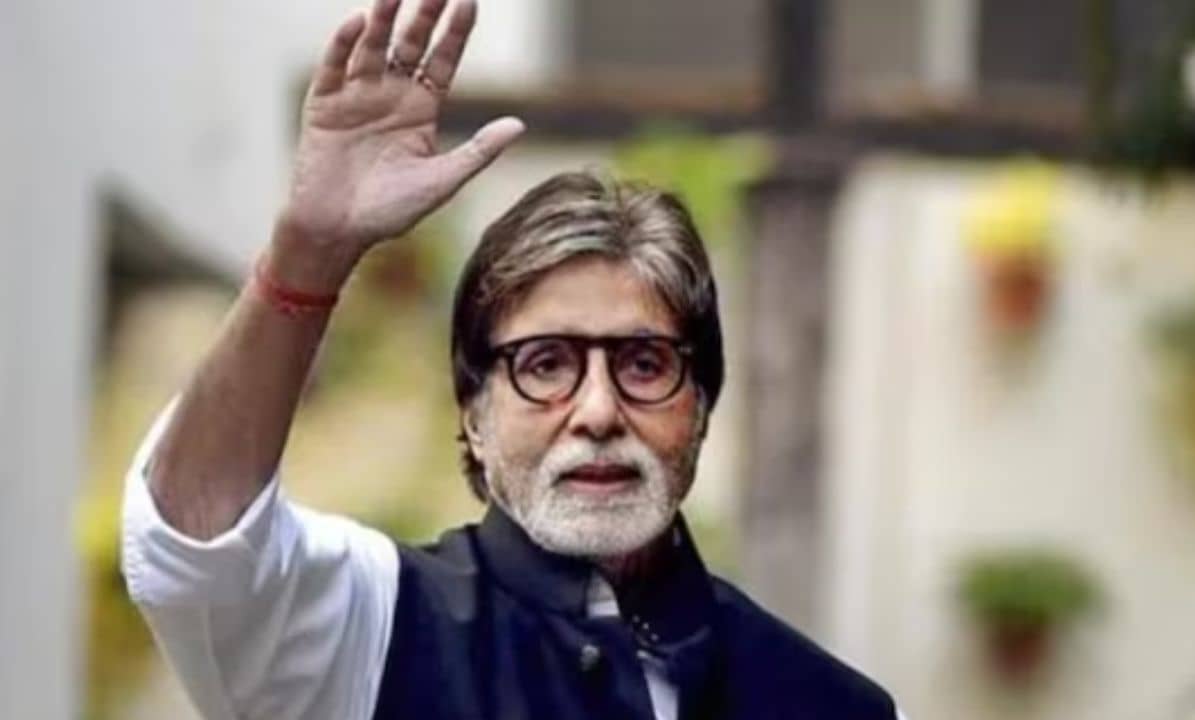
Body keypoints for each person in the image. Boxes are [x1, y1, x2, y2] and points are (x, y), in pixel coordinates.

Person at [120, 0, 905, 717]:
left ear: (698, 408)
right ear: (475, 413)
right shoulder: (374, 625)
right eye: (546, 364)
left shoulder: (832, 707)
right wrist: (308, 255)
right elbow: (193, 542)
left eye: (643, 365)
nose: (597, 411)